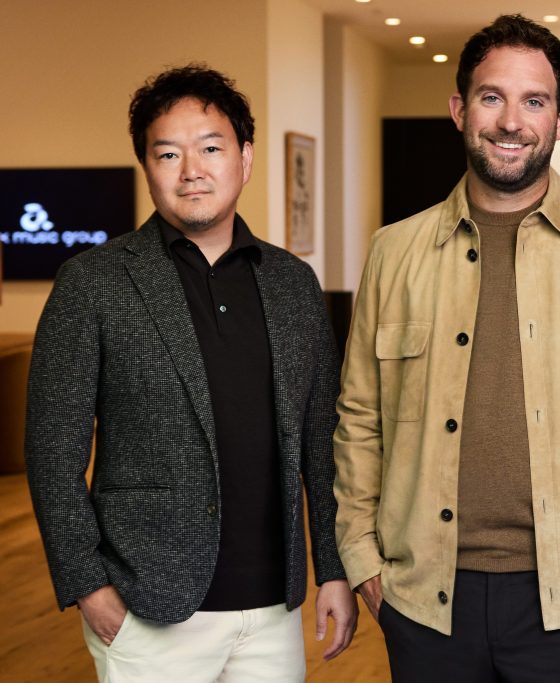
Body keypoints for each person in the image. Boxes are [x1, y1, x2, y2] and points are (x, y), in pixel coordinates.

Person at [334, 14, 560, 682]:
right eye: (491, 97)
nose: (510, 121)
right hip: (425, 601)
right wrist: (361, 557)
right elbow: (360, 419)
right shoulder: (393, 252)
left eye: (534, 101)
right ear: (459, 110)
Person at [24, 64, 356, 682]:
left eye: (210, 148)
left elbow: (322, 443)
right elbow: (51, 453)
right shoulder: (93, 282)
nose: (191, 171)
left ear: (244, 158)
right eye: (168, 154)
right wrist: (89, 584)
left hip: (273, 608)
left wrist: (333, 569)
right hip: (147, 607)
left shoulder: (292, 283)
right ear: (147, 167)